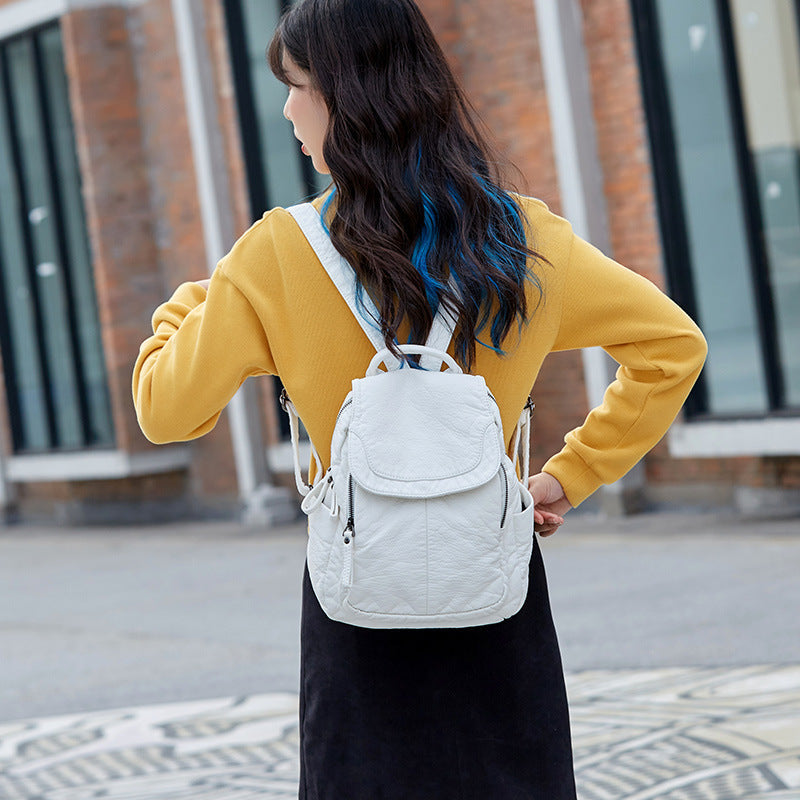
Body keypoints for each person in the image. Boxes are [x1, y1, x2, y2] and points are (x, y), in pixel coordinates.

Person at [132, 0, 707, 796]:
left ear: (346, 97)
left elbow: (165, 411)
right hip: (495, 587)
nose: (288, 110)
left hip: (357, 597)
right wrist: (569, 476)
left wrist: (195, 301)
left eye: (297, 86)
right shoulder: (525, 242)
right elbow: (674, 347)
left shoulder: (275, 259)